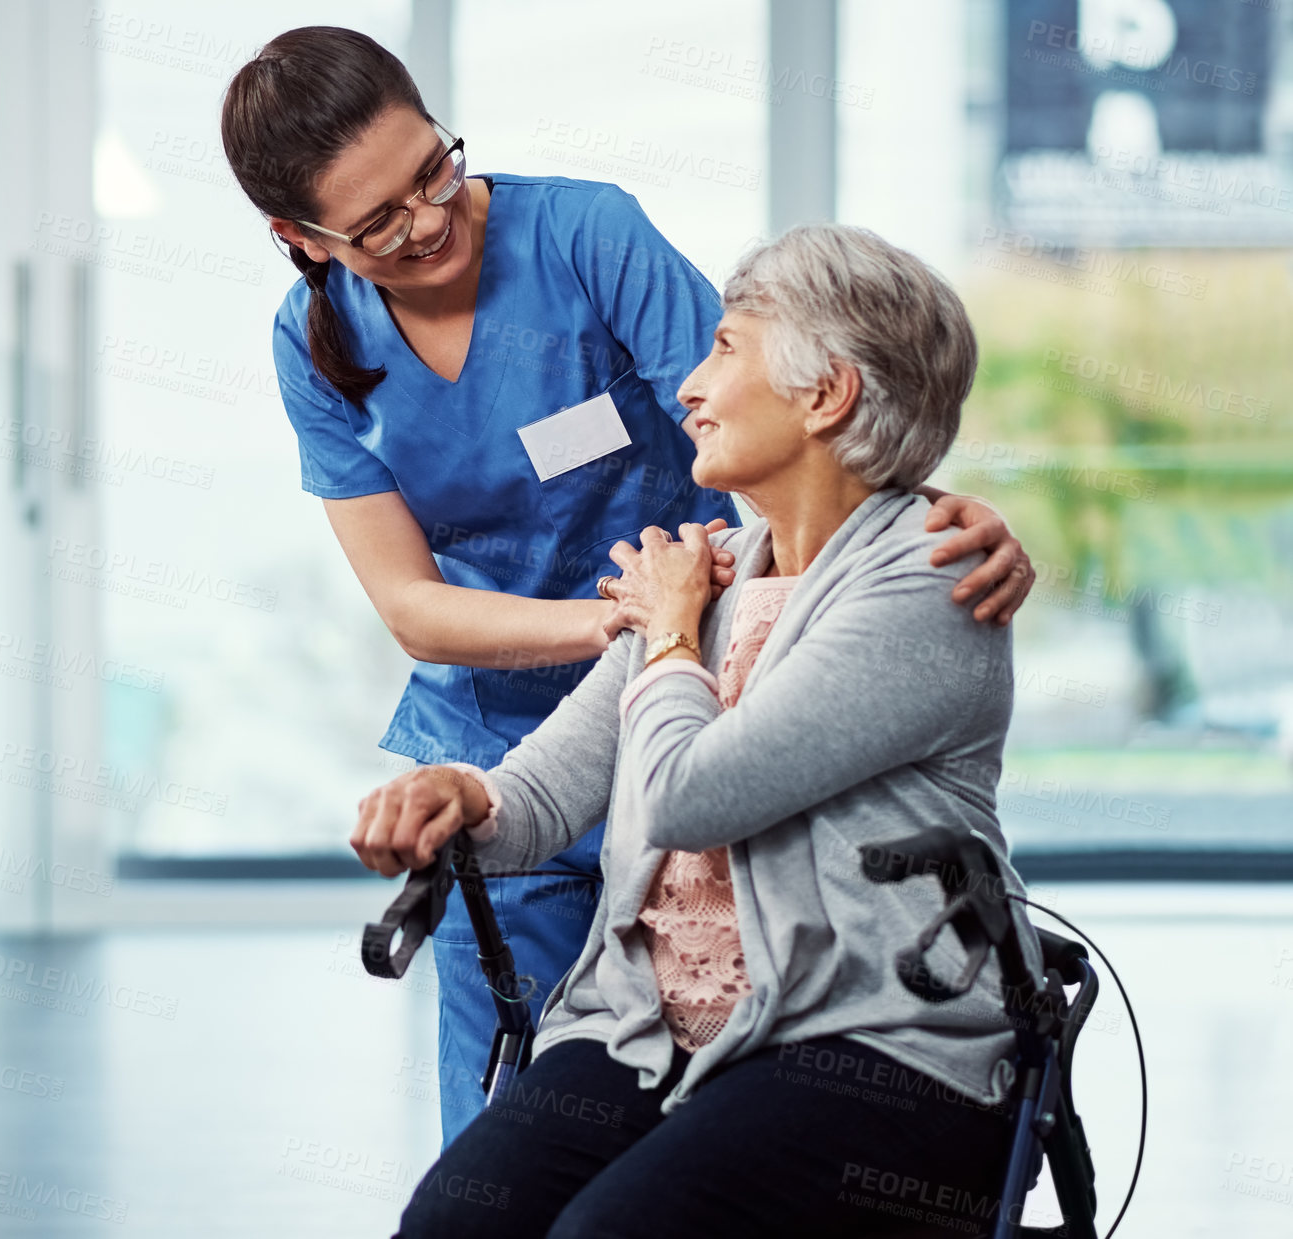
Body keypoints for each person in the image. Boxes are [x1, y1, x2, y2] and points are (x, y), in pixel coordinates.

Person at [221, 26, 1037, 1145]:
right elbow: (413, 608)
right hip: (518, 734)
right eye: (377, 225)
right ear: (298, 239)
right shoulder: (311, 349)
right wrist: (644, 622)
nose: (430, 222)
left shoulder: (584, 237)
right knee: (511, 1130)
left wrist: (926, 511)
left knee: (702, 1098)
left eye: (436, 171)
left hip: (701, 712)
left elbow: (783, 413)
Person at [353, 223, 1041, 1238]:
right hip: (647, 1029)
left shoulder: (927, 584)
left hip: (871, 1042)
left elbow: (688, 794)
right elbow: (543, 797)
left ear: (828, 394)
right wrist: (465, 795)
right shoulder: (709, 568)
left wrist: (670, 627)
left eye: (726, 348)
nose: (689, 385)